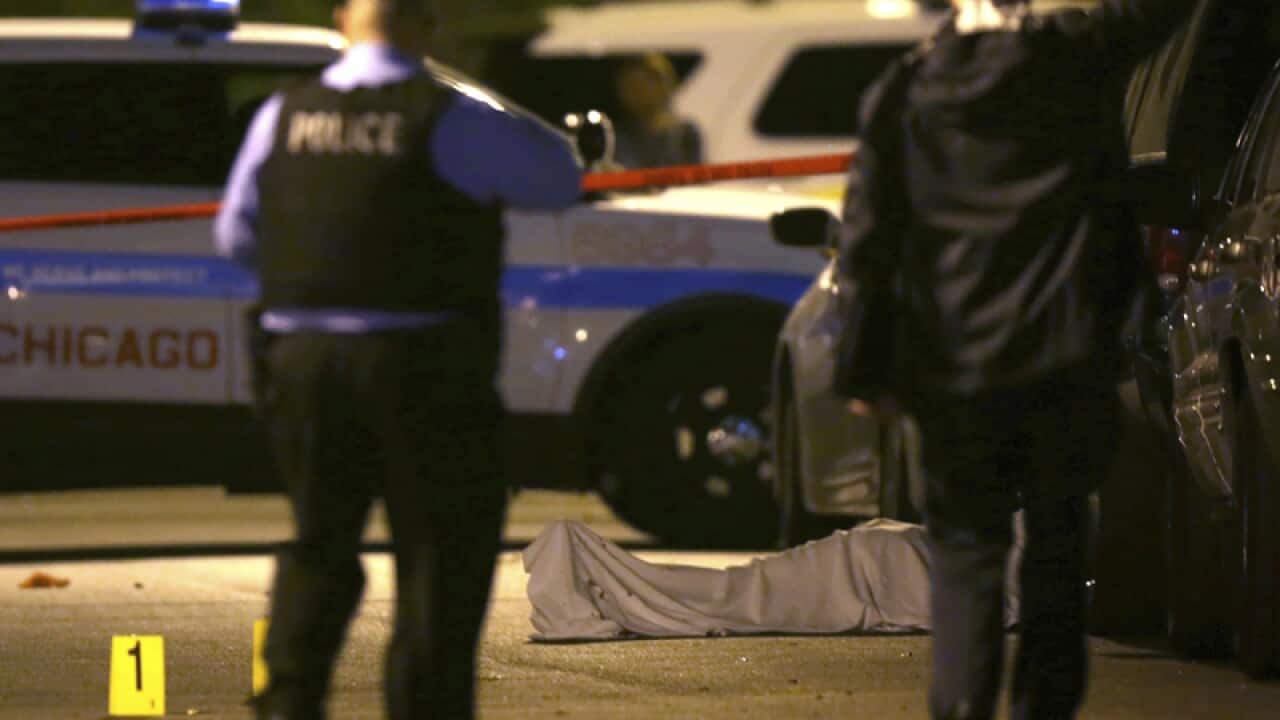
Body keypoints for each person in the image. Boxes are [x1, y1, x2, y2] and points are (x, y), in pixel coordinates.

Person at [214, 0, 583, 717]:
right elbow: (560, 178)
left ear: (342, 21)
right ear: (428, 26)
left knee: (317, 549)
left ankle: (288, 703)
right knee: (439, 564)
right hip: (426, 366)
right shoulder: (450, 115)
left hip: (305, 362)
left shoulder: (285, 114)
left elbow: (236, 237)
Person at [835, 0, 1197, 718]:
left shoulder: (905, 91)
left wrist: (866, 370)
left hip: (952, 363)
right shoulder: (1078, 58)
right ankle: (1044, 707)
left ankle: (963, 705)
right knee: (1058, 545)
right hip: (1064, 353)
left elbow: (870, 237)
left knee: (967, 552)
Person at [612, 53, 704, 169]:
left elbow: (695, 176)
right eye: (629, 86)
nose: (634, 93)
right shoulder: (620, 135)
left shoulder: (686, 134)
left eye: (639, 85)